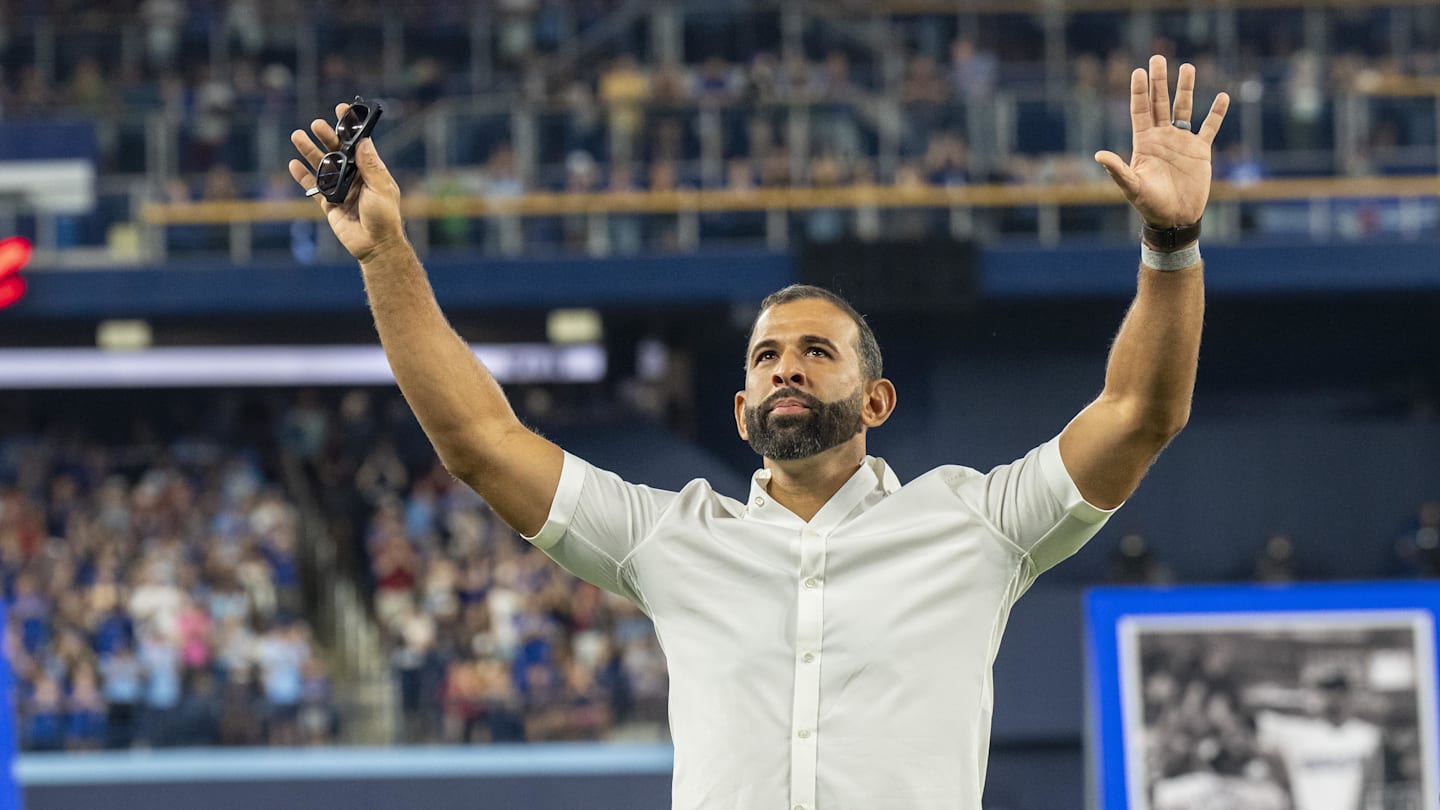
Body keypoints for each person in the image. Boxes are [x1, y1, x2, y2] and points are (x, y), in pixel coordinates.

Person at [290, 55, 1229, 809]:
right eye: (766, 355)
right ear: (740, 412)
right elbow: (479, 442)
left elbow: (1140, 415)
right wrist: (386, 254)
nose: (786, 366)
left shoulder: (978, 523)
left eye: (818, 351)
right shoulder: (670, 538)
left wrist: (1172, 247)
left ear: (876, 402)